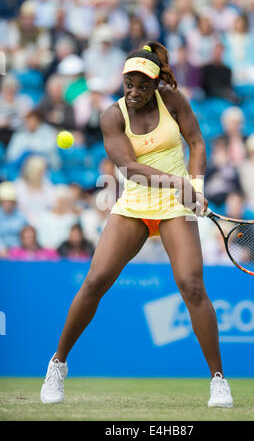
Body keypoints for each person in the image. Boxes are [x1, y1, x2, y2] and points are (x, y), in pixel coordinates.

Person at [40, 42, 233, 408]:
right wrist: (180, 184)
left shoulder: (173, 101)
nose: (134, 92)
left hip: (176, 209)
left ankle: (218, 380)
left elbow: (196, 141)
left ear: (156, 83)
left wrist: (197, 186)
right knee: (95, 282)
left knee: (192, 286)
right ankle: (57, 364)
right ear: (122, 81)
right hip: (135, 204)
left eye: (143, 86)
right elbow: (128, 168)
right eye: (129, 84)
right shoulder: (111, 116)